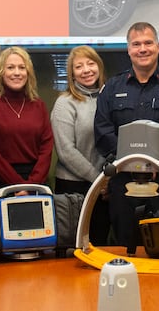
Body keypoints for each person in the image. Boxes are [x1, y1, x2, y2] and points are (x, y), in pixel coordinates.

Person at [94, 22, 159, 250]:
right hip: (124, 182)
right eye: (136, 44)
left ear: (158, 47)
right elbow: (102, 129)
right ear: (128, 49)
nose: (143, 49)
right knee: (126, 248)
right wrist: (131, 159)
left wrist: (154, 158)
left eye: (148, 43)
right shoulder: (112, 88)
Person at [0, 46, 54, 200]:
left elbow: (46, 147)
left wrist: (31, 184)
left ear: (28, 72)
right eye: (10, 67)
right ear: (1, 72)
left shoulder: (38, 105)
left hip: (34, 183)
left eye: (22, 68)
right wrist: (18, 184)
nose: (17, 73)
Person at [51, 45, 110, 245]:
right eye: (78, 66)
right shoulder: (65, 103)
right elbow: (66, 151)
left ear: (99, 66)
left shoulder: (109, 99)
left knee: (100, 245)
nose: (86, 70)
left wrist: (106, 181)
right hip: (74, 187)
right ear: (72, 74)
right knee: (75, 247)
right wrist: (98, 180)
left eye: (90, 63)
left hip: (104, 187)